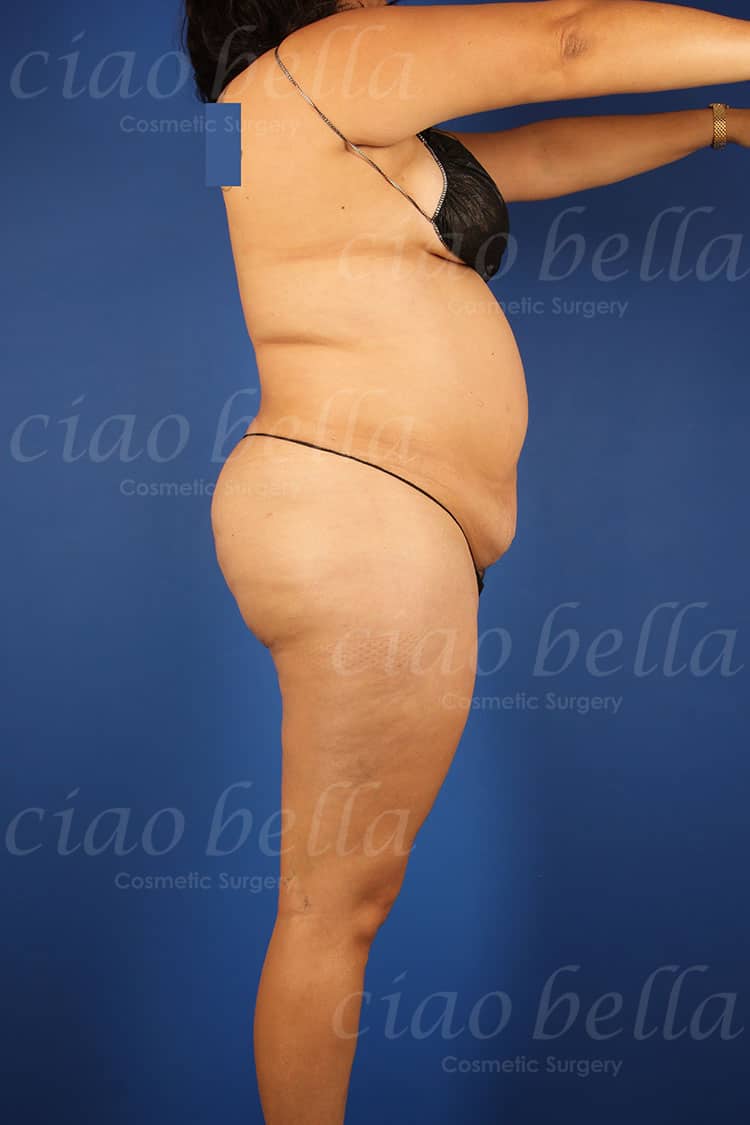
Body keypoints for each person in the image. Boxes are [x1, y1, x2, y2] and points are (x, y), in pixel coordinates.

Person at [182, 1, 749, 1120]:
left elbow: (534, 157)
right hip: (361, 507)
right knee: (333, 911)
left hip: (359, 509)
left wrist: (720, 124)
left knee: (339, 904)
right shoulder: (319, 60)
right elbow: (568, 43)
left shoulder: (282, 110)